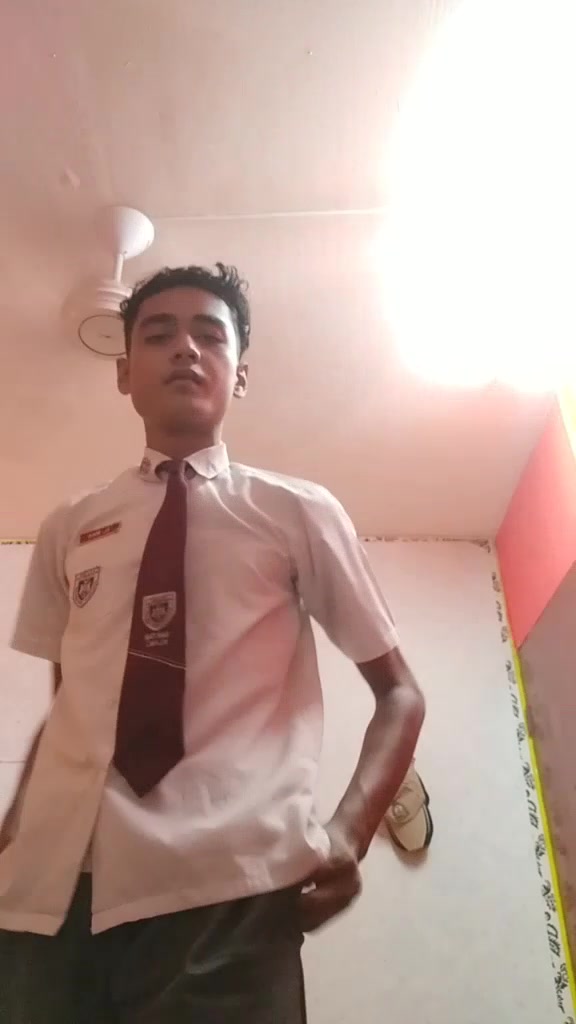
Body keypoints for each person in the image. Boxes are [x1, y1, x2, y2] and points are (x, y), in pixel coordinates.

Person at [0, 264, 425, 1023]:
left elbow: (400, 693)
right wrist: (9, 842)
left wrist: (349, 833)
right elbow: (70, 710)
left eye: (210, 335)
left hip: (227, 880)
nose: (186, 349)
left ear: (241, 373)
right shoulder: (70, 526)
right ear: (124, 373)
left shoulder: (294, 510)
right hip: (48, 894)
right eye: (158, 335)